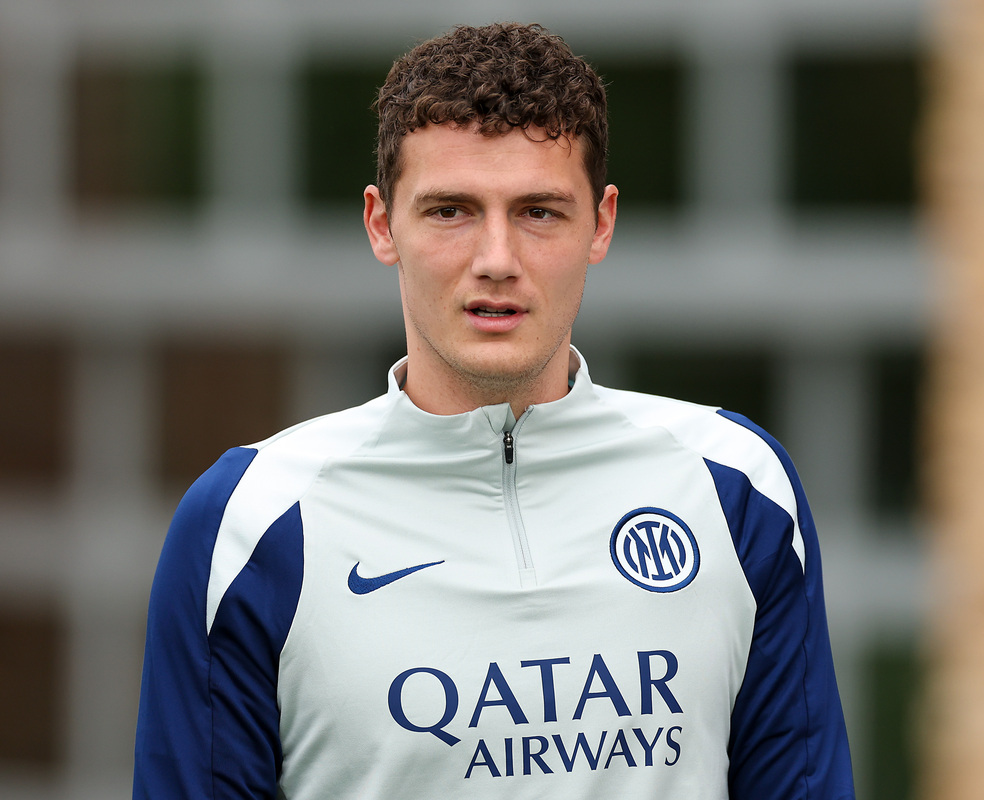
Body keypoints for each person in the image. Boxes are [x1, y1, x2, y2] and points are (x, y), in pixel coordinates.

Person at [133, 22, 854, 800]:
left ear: (601, 224)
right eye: (451, 210)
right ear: (381, 224)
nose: (497, 260)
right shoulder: (250, 524)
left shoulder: (735, 489)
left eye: (539, 211)